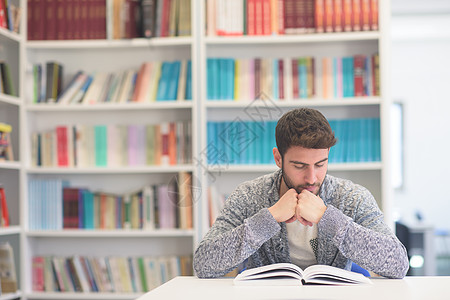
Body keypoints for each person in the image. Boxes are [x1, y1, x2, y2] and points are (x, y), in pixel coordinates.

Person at [193, 108, 409, 279]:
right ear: (278, 158)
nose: (312, 178)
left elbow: (398, 264)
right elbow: (204, 264)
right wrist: (269, 218)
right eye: (299, 166)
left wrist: (329, 219)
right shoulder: (248, 196)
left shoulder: (352, 197)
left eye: (320, 164)